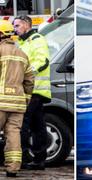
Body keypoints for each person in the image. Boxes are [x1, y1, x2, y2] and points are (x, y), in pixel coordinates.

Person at [13, 15, 51, 170]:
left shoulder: (36, 40)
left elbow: (42, 61)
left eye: (17, 26)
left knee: (23, 124)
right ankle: (39, 159)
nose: (15, 30)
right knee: (37, 125)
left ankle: (23, 158)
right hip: (32, 90)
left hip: (33, 90)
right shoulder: (22, 43)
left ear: (27, 25)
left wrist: (25, 75)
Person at [0, 20, 34, 177]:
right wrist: (25, 100)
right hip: (18, 103)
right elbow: (29, 81)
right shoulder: (22, 54)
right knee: (13, 134)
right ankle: (12, 168)